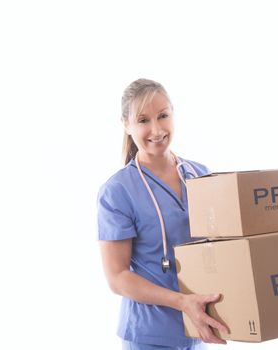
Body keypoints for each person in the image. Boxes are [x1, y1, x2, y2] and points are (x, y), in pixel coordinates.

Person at [97, 78, 229, 349]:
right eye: (143, 120)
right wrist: (183, 302)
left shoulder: (200, 174)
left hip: (199, 328)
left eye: (163, 116)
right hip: (150, 335)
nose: (156, 129)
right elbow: (117, 277)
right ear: (126, 124)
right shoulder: (117, 191)